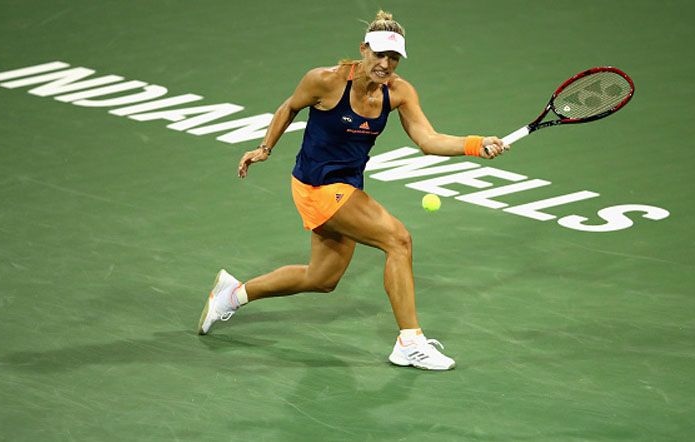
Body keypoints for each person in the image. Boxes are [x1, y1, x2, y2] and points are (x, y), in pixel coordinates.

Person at [197, 10, 508, 371]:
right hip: (316, 185)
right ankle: (410, 342)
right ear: (363, 50)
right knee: (398, 240)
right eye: (379, 54)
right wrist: (264, 149)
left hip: (346, 186)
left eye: (393, 57)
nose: (386, 64)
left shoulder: (399, 92)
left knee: (322, 278)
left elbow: (428, 139)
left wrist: (475, 144)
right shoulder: (324, 81)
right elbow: (289, 107)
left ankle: (231, 295)